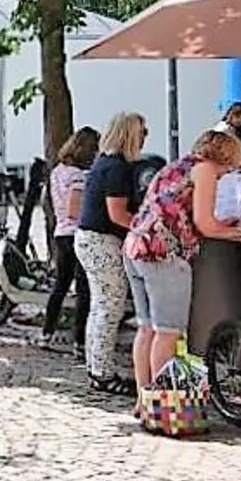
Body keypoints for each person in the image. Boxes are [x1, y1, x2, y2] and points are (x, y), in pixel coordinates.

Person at [123, 129, 241, 396]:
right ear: (226, 156)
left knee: (146, 329)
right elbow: (205, 223)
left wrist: (221, 226)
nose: (228, 173)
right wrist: (237, 231)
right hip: (164, 253)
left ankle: (144, 399)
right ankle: (163, 402)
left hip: (137, 245)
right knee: (167, 333)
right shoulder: (206, 170)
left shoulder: (178, 166)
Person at [76, 112, 149, 395]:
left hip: (90, 240)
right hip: (102, 241)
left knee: (101, 306)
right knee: (110, 307)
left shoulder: (104, 163)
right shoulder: (117, 168)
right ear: (130, 135)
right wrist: (146, 228)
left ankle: (96, 368)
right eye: (142, 133)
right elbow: (118, 214)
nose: (144, 139)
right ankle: (103, 373)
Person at [43, 126, 99, 352]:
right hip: (76, 233)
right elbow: (74, 209)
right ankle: (80, 341)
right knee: (83, 289)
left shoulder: (57, 171)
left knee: (61, 285)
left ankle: (47, 332)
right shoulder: (78, 176)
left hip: (61, 233)